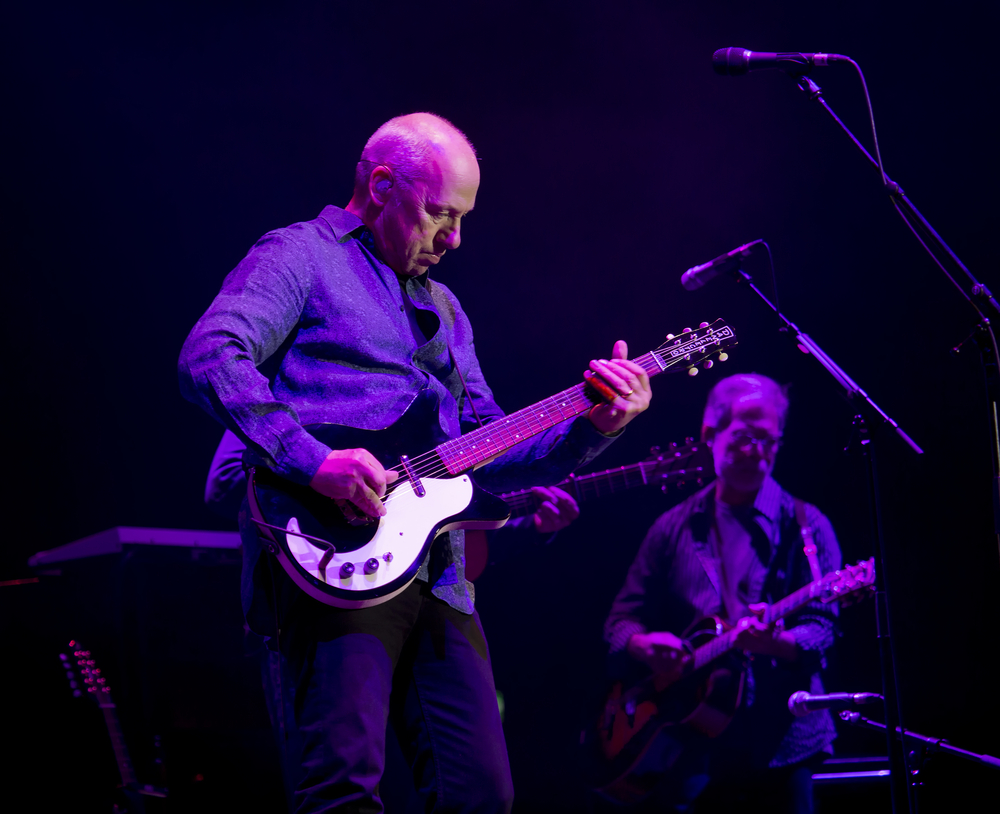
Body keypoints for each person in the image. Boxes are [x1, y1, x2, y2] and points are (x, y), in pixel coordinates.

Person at [178, 112, 651, 813]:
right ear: (380, 185)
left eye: (462, 219)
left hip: (439, 577)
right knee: (342, 788)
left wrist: (596, 425)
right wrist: (313, 462)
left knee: (483, 794)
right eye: (439, 214)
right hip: (327, 559)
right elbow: (210, 354)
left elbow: (492, 450)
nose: (453, 239)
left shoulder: (449, 311)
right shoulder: (301, 256)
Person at [602, 373, 841, 813]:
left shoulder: (807, 526)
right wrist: (642, 644)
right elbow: (620, 623)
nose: (757, 452)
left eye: (769, 440)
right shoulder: (672, 527)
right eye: (745, 437)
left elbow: (824, 627)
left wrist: (780, 643)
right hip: (687, 746)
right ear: (709, 433)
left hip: (783, 741)